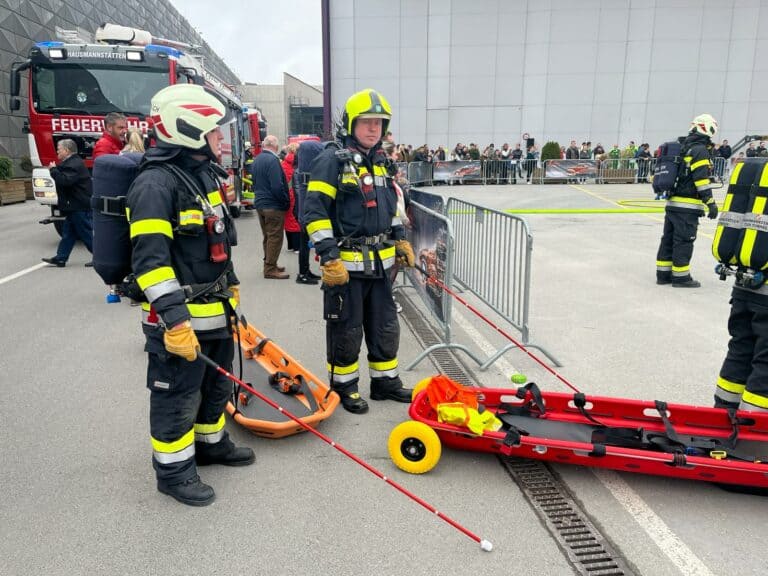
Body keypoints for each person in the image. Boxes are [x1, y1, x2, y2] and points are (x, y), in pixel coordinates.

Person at [126, 84, 253, 506]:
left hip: (215, 312)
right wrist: (175, 321)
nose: (220, 137)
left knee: (216, 385)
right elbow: (151, 263)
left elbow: (219, 239)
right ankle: (174, 472)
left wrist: (231, 281)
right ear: (189, 128)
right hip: (179, 321)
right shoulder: (154, 185)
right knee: (176, 394)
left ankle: (210, 444)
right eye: (214, 130)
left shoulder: (201, 176)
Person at [304, 88, 414, 414]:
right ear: (351, 124)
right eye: (366, 122)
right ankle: (344, 387)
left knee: (385, 327)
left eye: (379, 123)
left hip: (380, 267)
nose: (373, 128)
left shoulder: (382, 163)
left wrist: (400, 238)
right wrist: (328, 256)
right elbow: (314, 211)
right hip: (346, 267)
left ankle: (385, 382)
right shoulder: (331, 161)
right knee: (347, 330)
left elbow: (392, 209)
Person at [655, 113, 719, 288]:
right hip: (687, 206)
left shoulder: (683, 147)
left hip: (673, 203)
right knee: (684, 240)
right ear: (707, 128)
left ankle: (663, 275)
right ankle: (681, 277)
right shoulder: (700, 150)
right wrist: (710, 202)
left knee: (668, 240)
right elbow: (701, 180)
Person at [42, 139, 94, 267]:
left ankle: (100, 257)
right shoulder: (72, 162)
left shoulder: (73, 164)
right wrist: (56, 169)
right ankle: (61, 258)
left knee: (85, 233)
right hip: (74, 204)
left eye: (59, 149)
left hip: (78, 205)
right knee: (68, 233)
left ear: (67, 150)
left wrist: (53, 170)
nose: (57, 151)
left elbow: (65, 181)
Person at [251, 135, 290, 279]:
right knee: (275, 237)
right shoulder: (273, 161)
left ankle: (269, 263)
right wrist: (285, 201)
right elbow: (277, 186)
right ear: (276, 146)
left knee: (267, 236)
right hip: (273, 205)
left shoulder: (257, 160)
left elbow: (255, 182)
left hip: (260, 203)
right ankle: (270, 268)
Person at [294, 139, 324, 285]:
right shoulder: (308, 175)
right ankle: (303, 274)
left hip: (303, 212)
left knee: (304, 244)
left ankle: (305, 271)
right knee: (305, 245)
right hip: (307, 212)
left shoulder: (302, 172)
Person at [281, 145, 301, 252]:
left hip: (285, 195)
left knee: (288, 219)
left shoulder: (283, 164)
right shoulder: (299, 163)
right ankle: (297, 246)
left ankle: (290, 245)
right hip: (296, 194)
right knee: (296, 220)